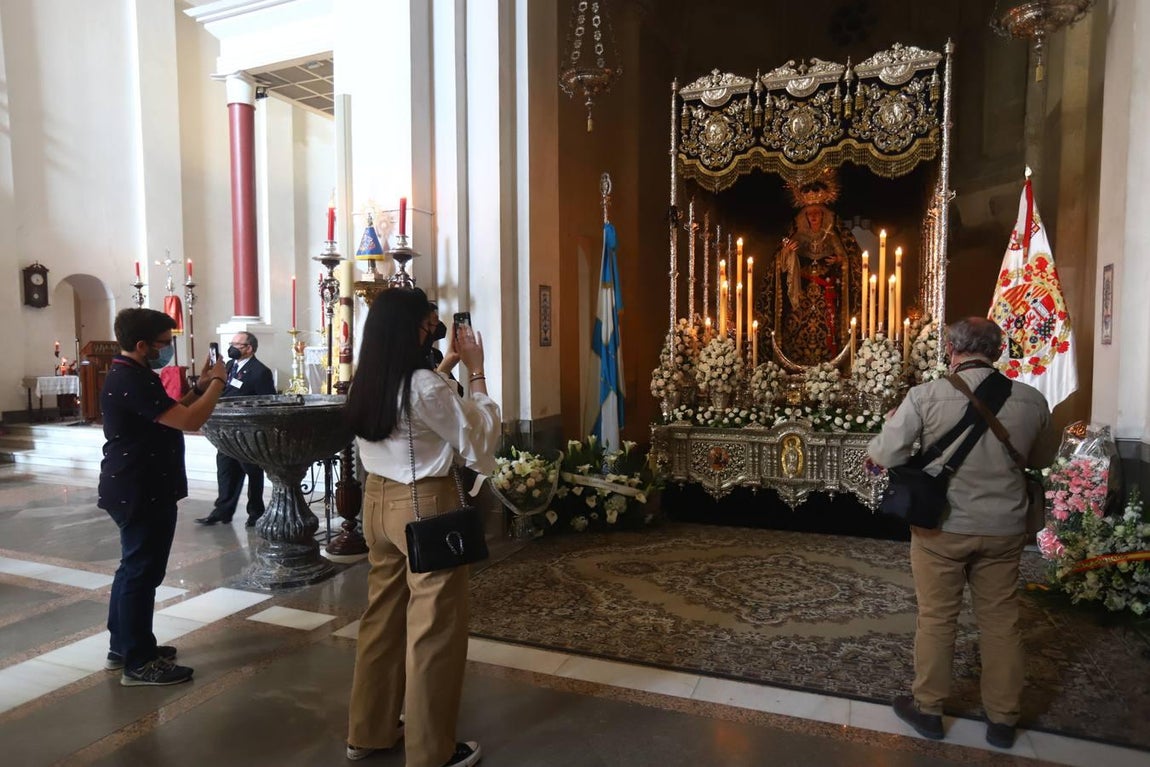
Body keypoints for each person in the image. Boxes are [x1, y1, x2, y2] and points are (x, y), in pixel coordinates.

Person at [866, 317, 1051, 749]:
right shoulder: (1032, 400)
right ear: (998, 352)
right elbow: (1039, 457)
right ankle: (1003, 720)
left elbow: (885, 453)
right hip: (1005, 527)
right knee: (1001, 620)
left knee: (936, 616)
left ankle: (929, 709)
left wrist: (894, 422)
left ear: (952, 350)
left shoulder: (925, 396)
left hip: (943, 527)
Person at [344, 288, 498, 767]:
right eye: (428, 323)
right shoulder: (424, 385)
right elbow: (477, 435)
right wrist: (475, 370)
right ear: (412, 330)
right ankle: (431, 751)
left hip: (378, 506)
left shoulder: (366, 380)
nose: (433, 329)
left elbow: (410, 410)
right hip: (424, 505)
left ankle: (368, 731)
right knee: (434, 629)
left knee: (381, 621)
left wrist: (446, 364)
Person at [98, 308, 228, 686]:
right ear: (141, 345)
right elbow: (189, 421)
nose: (167, 350)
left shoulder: (133, 374)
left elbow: (169, 411)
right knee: (141, 572)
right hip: (141, 487)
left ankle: (124, 646)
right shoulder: (132, 379)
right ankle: (138, 663)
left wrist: (200, 388)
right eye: (163, 344)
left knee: (135, 569)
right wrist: (218, 384)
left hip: (136, 484)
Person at [766, 169, 862, 365]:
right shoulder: (796, 234)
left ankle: (828, 367)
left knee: (829, 331)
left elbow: (851, 259)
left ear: (824, 215)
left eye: (818, 214)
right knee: (795, 329)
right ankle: (796, 365)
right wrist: (787, 254)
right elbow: (777, 265)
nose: (814, 218)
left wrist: (839, 262)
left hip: (826, 296)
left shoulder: (834, 234)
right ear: (805, 216)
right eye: (810, 215)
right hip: (800, 297)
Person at [196, 332, 277, 527]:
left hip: (246, 432)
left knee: (252, 472)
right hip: (225, 431)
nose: (231, 347)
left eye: (237, 344)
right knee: (225, 470)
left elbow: (268, 402)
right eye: (231, 343)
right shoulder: (229, 367)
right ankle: (223, 510)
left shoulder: (260, 371)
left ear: (249, 348)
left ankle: (256, 511)